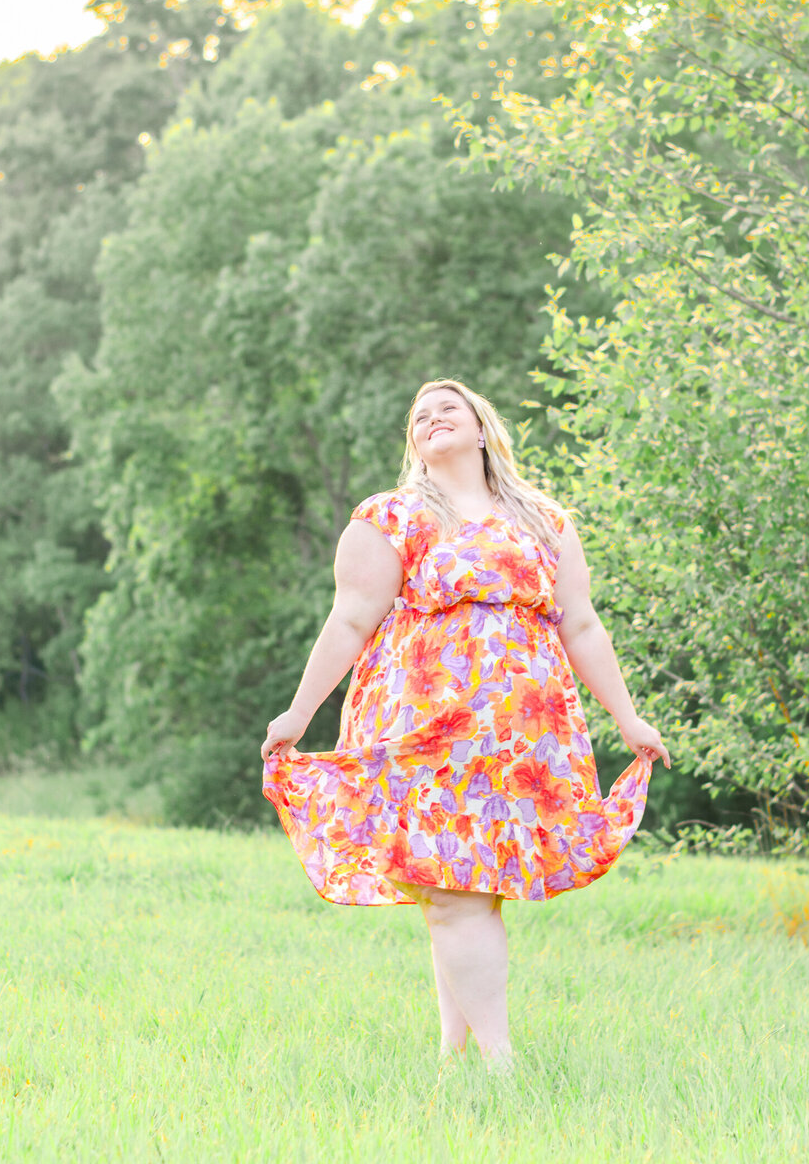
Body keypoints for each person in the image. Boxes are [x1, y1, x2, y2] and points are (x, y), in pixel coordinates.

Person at [261, 378, 671, 1072]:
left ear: (483, 429)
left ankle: (456, 1058)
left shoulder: (545, 522)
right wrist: (299, 712)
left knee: (467, 890)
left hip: (522, 736)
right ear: (415, 447)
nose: (431, 417)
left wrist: (627, 717)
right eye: (419, 415)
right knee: (453, 888)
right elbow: (352, 619)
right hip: (428, 726)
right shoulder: (391, 517)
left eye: (447, 408)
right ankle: (499, 1064)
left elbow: (582, 624)